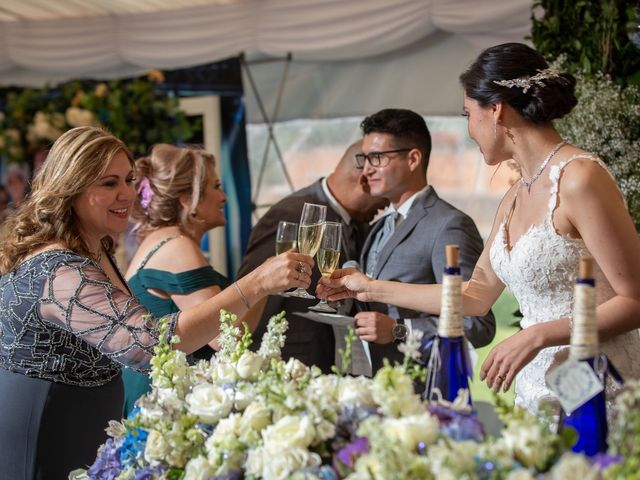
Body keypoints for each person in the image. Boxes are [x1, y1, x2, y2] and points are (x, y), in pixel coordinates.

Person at [320, 43, 640, 413]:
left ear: (496, 110)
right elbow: (474, 295)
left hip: (599, 391)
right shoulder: (515, 195)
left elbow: (634, 301)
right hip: (539, 392)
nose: (469, 127)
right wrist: (369, 287)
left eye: (468, 114)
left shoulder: (580, 177)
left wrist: (537, 335)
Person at [0, 126, 313, 479]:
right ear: (71, 188)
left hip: (82, 435)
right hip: (44, 436)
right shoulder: (60, 269)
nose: (126, 194)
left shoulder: (94, 247)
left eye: (129, 180)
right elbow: (150, 344)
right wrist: (257, 283)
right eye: (109, 183)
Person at [351, 108, 495, 374]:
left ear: (413, 158)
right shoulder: (380, 225)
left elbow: (476, 323)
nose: (367, 170)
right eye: (365, 158)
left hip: (424, 392)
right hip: (373, 384)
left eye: (377, 158)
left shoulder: (449, 225)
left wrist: (398, 330)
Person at [237, 140, 388, 373]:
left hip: (336, 364)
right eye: (382, 196)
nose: (385, 205)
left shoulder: (357, 223)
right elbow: (251, 292)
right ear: (364, 181)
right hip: (290, 365)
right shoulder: (291, 214)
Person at [121, 144, 230, 416]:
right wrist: (265, 282)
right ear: (187, 200)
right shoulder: (178, 246)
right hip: (165, 409)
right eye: (216, 186)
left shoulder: (159, 241)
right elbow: (228, 337)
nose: (224, 196)